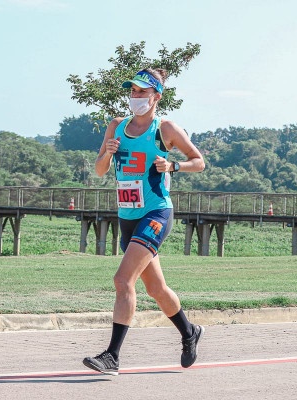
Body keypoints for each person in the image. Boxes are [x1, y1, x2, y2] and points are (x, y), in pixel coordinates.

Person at [83, 68, 206, 375]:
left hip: (156, 213)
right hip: (128, 216)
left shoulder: (164, 129)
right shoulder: (116, 126)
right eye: (132, 92)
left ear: (156, 97)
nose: (135, 97)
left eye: (141, 92)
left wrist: (173, 165)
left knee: (123, 280)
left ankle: (112, 356)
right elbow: (99, 171)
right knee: (157, 289)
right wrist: (107, 153)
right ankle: (189, 332)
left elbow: (199, 162)